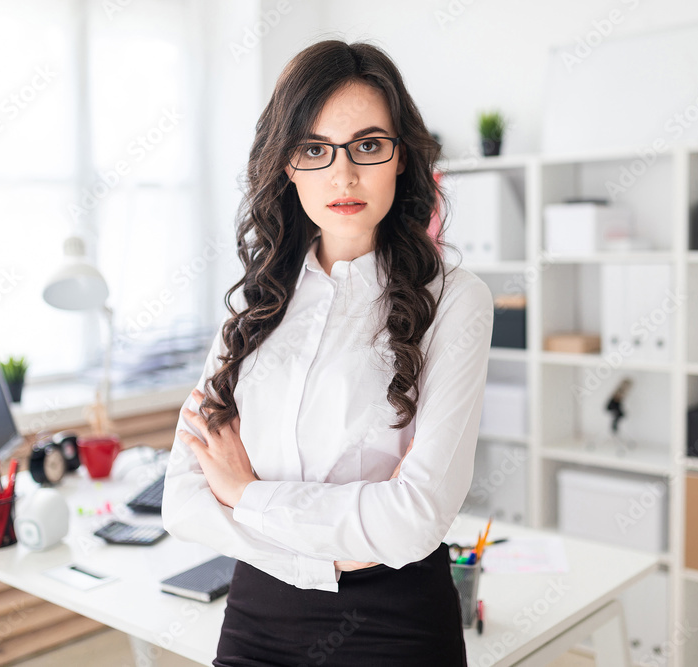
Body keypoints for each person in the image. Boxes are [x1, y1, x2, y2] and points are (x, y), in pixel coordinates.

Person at [161, 38, 494, 667]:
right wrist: (344, 536)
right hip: (255, 618)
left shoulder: (454, 301)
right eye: (315, 150)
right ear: (287, 165)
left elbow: (416, 519)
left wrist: (246, 493)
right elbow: (181, 500)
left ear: (401, 158)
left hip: (392, 627)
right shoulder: (253, 303)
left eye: (368, 146)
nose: (343, 176)